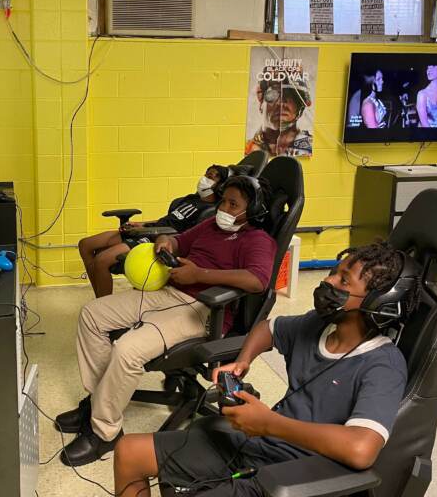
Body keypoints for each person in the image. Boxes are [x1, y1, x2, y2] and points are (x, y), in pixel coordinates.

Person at [113, 242, 417, 497]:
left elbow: (362, 449)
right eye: (334, 272)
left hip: (298, 473)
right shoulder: (318, 324)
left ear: (379, 303)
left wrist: (270, 423)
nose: (329, 282)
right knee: (129, 452)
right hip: (260, 444)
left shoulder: (383, 365)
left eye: (344, 281)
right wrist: (243, 360)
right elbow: (267, 328)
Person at [57, 176, 277, 467]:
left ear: (255, 210)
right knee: (92, 315)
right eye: (223, 200)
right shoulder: (211, 225)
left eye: (232, 203)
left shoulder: (258, 240)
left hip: (205, 308)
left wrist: (200, 276)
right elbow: (176, 239)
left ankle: (104, 432)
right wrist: (165, 244)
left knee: (128, 349)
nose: (224, 207)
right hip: (170, 292)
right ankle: (98, 405)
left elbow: (257, 280)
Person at [78, 164, 229, 298]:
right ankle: (100, 296)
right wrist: (141, 224)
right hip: (149, 230)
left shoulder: (208, 211)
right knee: (85, 245)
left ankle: (103, 306)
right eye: (205, 174)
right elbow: (166, 219)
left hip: (156, 238)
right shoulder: (190, 199)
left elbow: (184, 236)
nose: (204, 179)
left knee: (102, 260)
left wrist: (150, 231)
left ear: (220, 186)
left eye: (210, 177)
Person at [245, 71, 312, 158]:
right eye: (273, 95)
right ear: (261, 103)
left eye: (291, 97)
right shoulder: (248, 148)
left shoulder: (309, 148)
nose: (281, 104)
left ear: (301, 108)